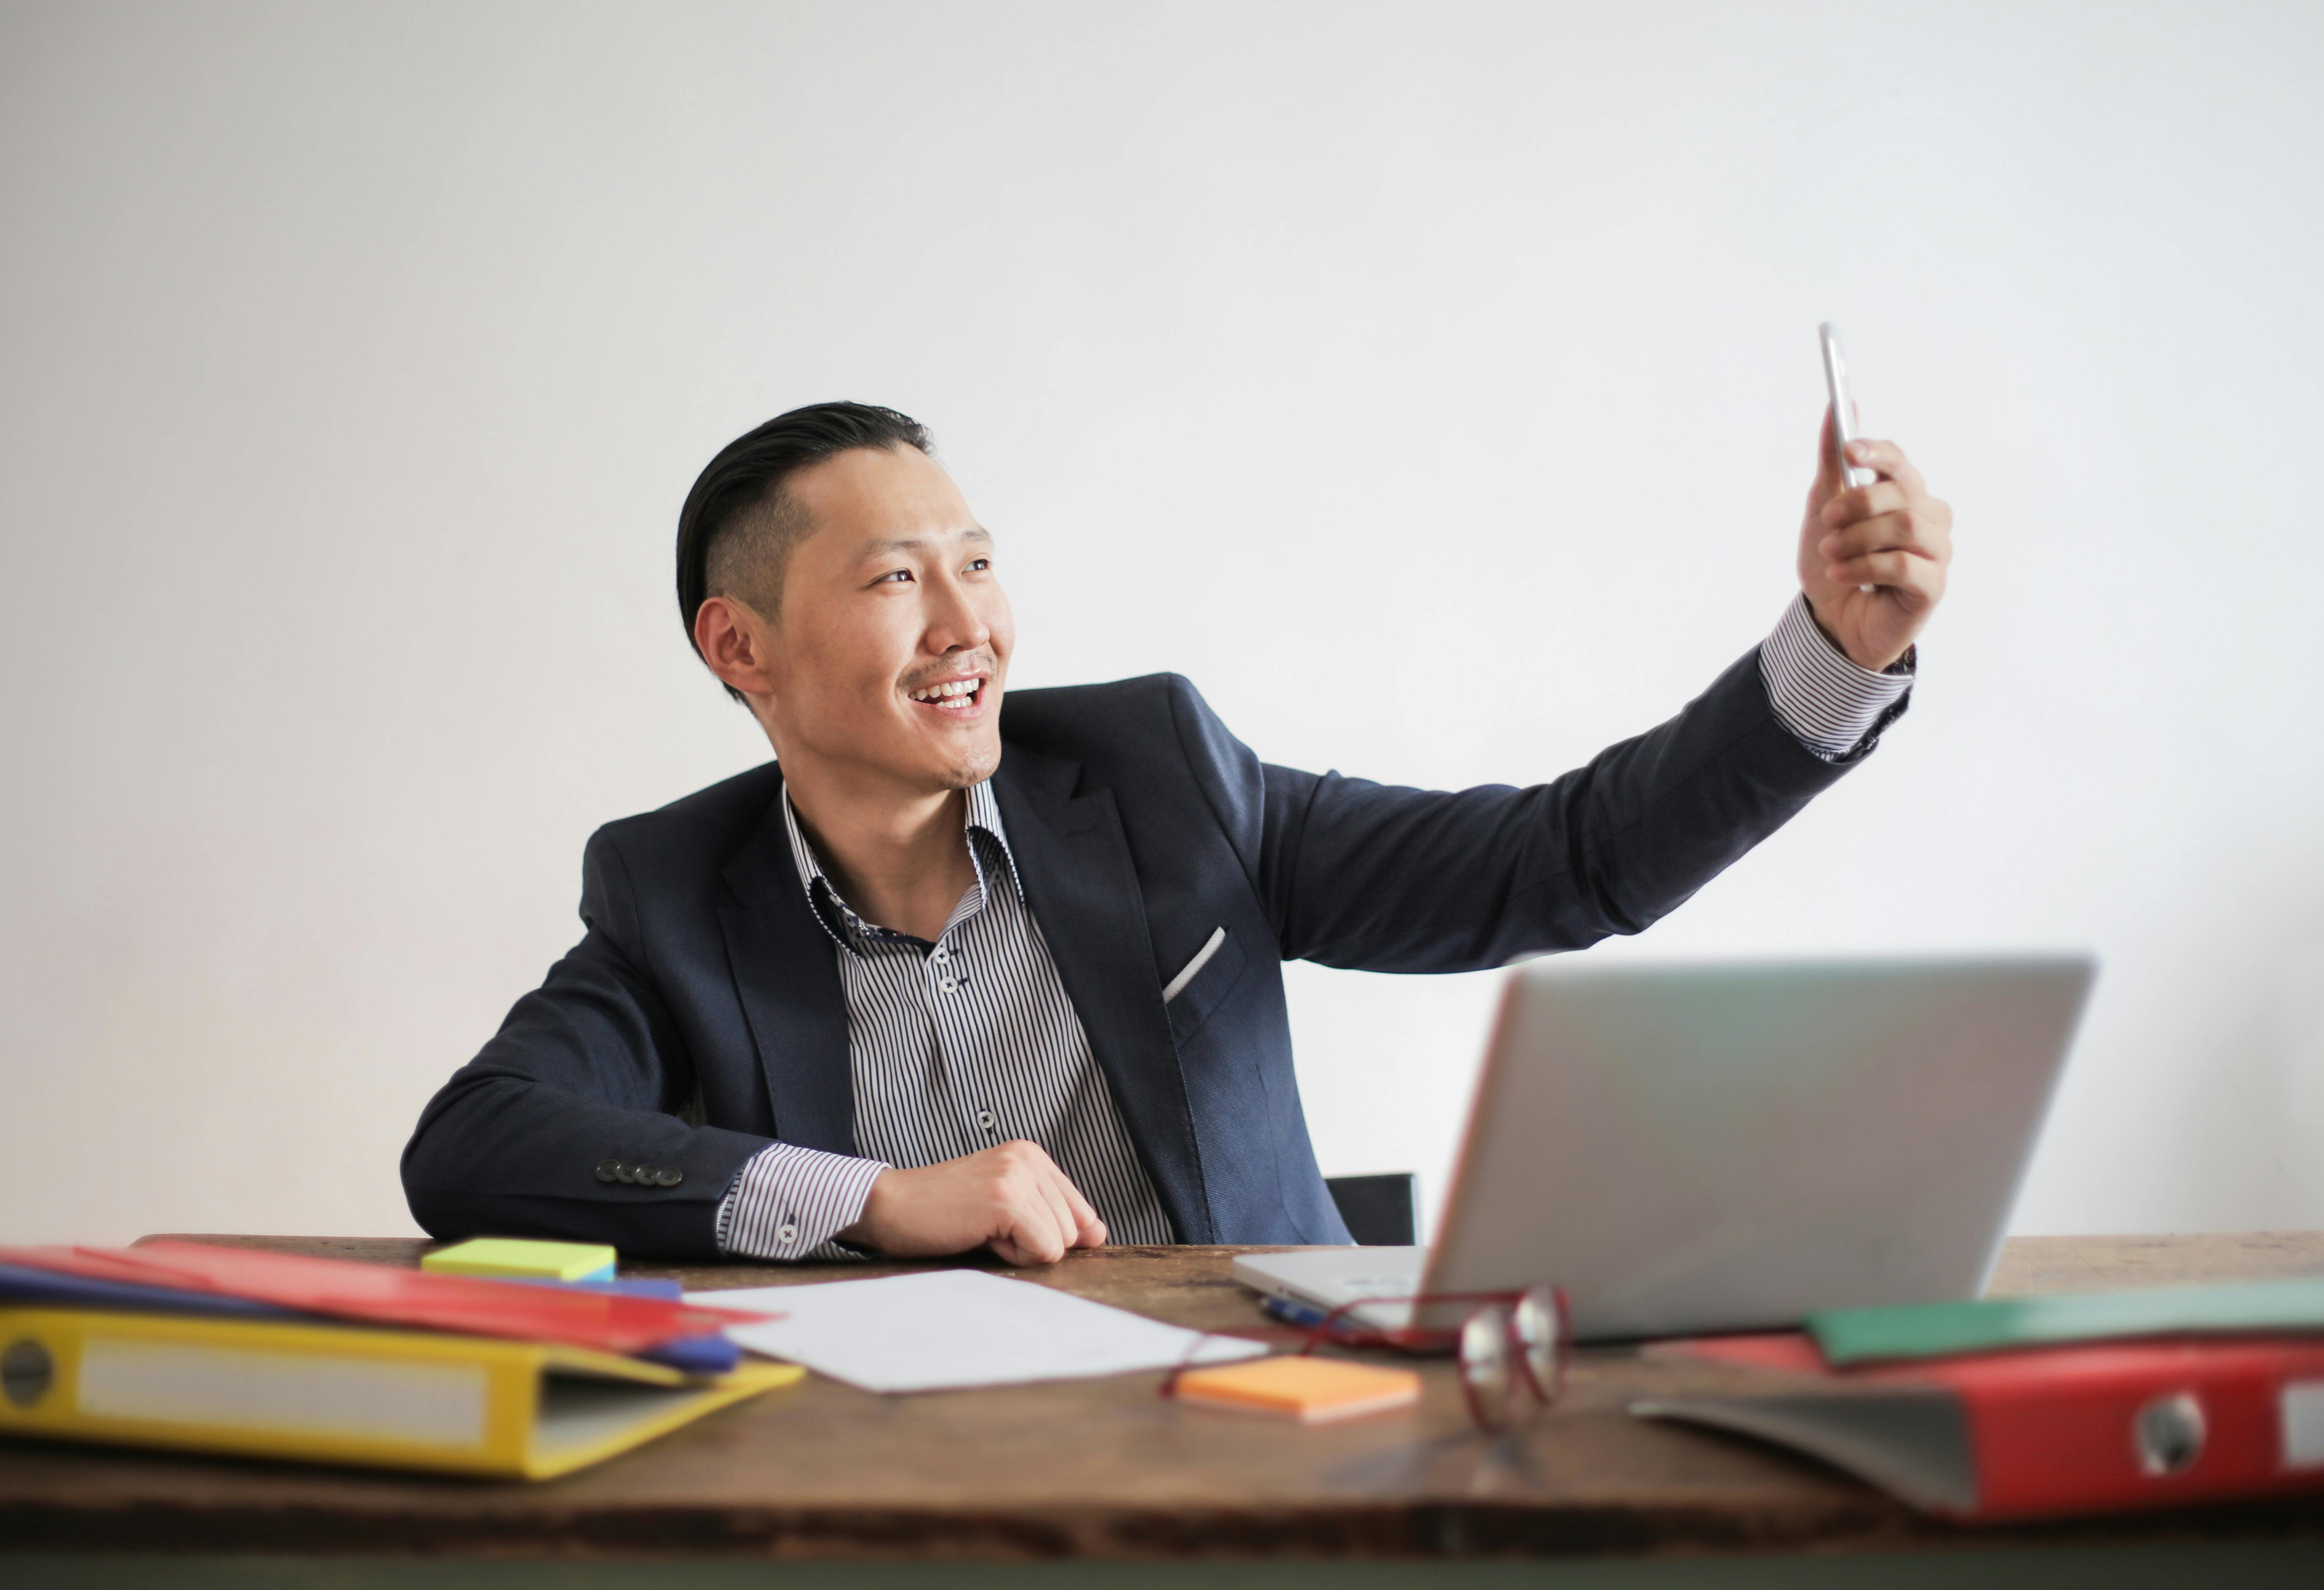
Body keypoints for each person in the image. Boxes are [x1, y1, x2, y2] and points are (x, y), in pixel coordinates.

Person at [400, 402, 1952, 1264]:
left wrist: (1835, 651)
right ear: (739, 650)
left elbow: (1561, 862)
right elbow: (474, 1142)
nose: (971, 627)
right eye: (894, 581)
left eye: (981, 564)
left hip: (1253, 1446)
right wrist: (874, 1197)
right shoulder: (675, 893)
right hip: (890, 1493)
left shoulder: (1159, 781)